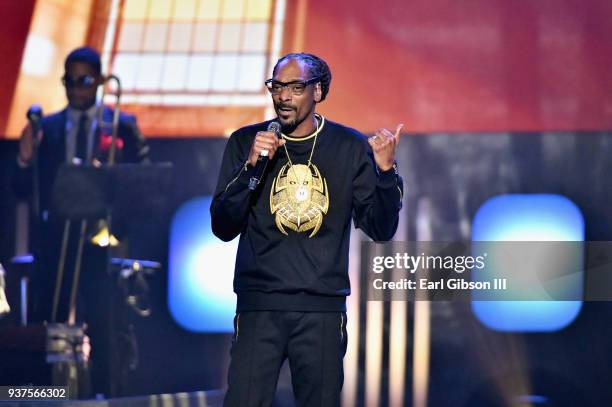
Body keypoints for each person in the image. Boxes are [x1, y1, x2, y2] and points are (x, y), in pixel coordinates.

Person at [210, 53, 404, 406]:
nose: (283, 96)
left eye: (295, 87)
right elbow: (223, 225)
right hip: (259, 306)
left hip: (322, 310)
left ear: (317, 91)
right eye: (277, 86)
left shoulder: (349, 147)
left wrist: (387, 174)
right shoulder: (246, 142)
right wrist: (252, 167)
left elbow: (380, 228)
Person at [11, 46, 149, 396]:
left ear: (100, 81)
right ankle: (45, 396)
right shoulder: (48, 127)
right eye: (68, 81)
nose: (75, 89)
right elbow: (24, 190)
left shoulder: (123, 125)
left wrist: (109, 183)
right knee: (49, 326)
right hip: (56, 243)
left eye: (84, 80)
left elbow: (144, 185)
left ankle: (105, 396)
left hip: (100, 245)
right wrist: (26, 159)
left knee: (104, 326)